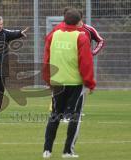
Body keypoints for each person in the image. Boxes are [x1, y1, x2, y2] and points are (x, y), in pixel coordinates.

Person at [42, 9, 96, 158]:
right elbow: (86, 63)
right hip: (75, 83)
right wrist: (90, 83)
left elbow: (46, 59)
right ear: (79, 22)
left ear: (64, 20)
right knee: (74, 117)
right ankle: (67, 151)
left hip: (57, 82)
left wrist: (47, 79)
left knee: (54, 115)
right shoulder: (82, 37)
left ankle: (47, 150)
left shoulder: (53, 35)